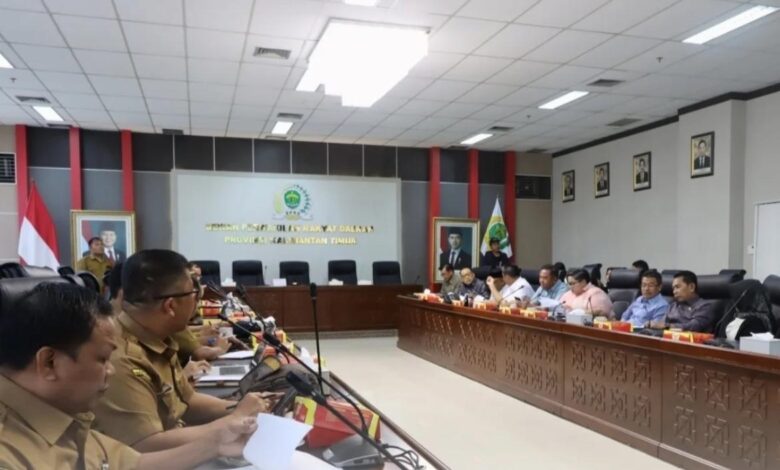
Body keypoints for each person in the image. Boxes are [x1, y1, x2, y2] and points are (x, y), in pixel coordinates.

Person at [0, 282, 257, 469]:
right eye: (102, 359)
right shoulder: (9, 453)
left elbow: (130, 464)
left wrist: (215, 444)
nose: (110, 370)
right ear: (49, 362)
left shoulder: (58, 414)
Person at [94, 249, 270, 451]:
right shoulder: (119, 357)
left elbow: (187, 401)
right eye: (193, 294)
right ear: (170, 306)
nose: (197, 302)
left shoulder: (157, 337)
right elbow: (146, 444)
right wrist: (233, 421)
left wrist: (243, 409)